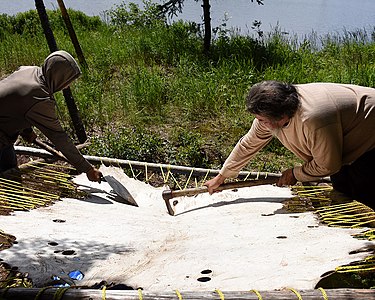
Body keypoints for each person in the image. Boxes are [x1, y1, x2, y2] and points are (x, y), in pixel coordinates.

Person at [205, 81, 375, 207]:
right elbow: (248, 144)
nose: (258, 123)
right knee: (343, 187)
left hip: (370, 132)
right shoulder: (273, 114)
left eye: (261, 119)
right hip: (348, 131)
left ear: (280, 117)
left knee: (365, 190)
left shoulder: (312, 118)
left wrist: (295, 174)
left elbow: (328, 165)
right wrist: (222, 176)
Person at [0, 50, 102, 182]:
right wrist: (87, 169)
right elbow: (59, 138)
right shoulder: (40, 98)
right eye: (68, 81)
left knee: (10, 174)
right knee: (9, 182)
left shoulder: (29, 70)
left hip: (4, 133)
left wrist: (26, 130)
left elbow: (14, 103)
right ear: (59, 76)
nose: (67, 86)